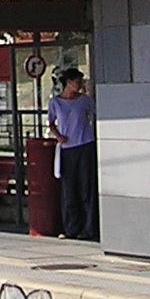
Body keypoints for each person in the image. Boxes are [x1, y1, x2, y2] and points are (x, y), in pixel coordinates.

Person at [50, 67, 99, 242]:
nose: (79, 85)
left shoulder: (84, 100)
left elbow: (93, 115)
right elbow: (51, 123)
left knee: (86, 187)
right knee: (69, 189)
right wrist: (58, 137)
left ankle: (89, 228)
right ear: (68, 83)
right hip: (67, 148)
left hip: (84, 144)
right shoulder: (55, 102)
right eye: (77, 82)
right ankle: (71, 227)